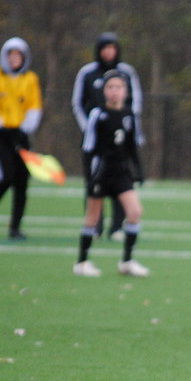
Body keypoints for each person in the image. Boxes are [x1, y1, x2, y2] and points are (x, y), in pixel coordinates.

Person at [73, 70, 149, 278]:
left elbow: (132, 146)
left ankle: (127, 262)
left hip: (121, 173)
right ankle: (82, 262)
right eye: (110, 87)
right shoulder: (98, 115)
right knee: (93, 218)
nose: (115, 92)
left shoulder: (129, 115)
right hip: (101, 173)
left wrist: (139, 171)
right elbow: (88, 148)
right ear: (104, 91)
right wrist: (91, 177)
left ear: (126, 91)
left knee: (134, 213)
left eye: (119, 87)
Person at [72, 32, 144, 239]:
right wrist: (89, 129)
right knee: (95, 188)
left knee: (123, 186)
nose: (108, 52)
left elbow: (135, 104)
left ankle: (117, 228)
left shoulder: (127, 72)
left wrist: (129, 127)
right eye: (105, 48)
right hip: (99, 146)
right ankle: (93, 230)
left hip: (120, 143)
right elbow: (78, 103)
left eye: (112, 48)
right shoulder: (88, 73)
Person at [0, 37, 42, 240]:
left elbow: (34, 106)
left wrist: (25, 127)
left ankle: (15, 227)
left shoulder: (30, 79)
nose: (14, 59)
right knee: (6, 177)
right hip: (0, 134)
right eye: (11, 55)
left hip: (20, 134)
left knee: (22, 180)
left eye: (18, 55)